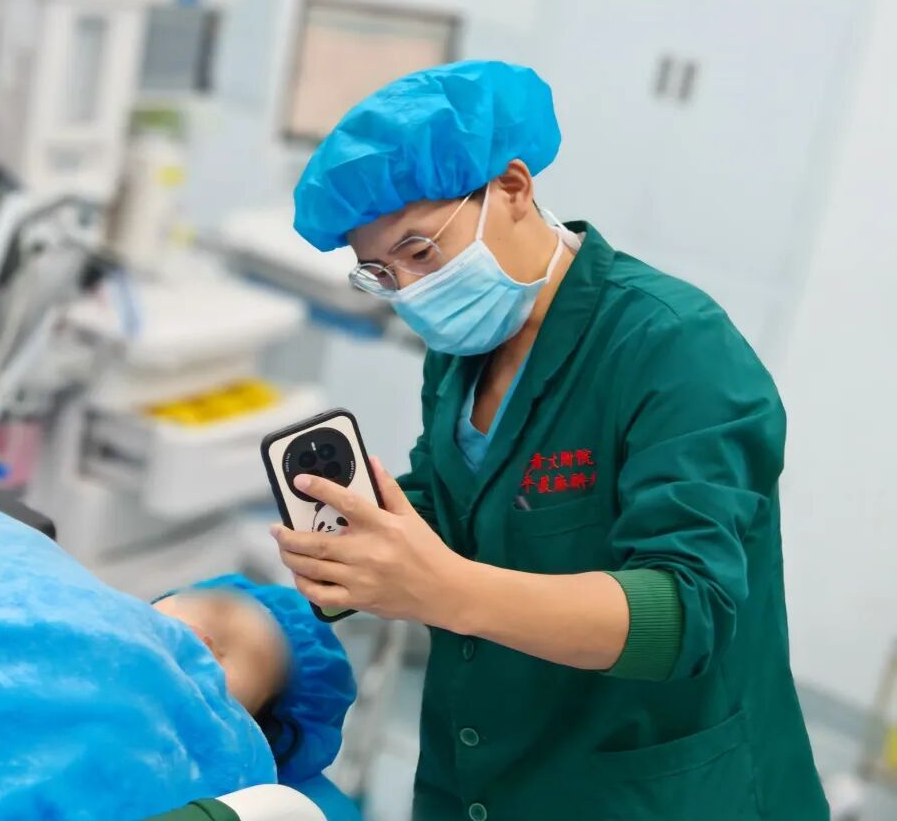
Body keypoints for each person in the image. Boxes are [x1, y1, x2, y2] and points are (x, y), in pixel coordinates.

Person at [272, 59, 828, 820]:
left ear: (512, 187)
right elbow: (470, 502)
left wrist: (445, 589)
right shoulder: (465, 349)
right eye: (382, 273)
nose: (412, 290)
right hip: (491, 771)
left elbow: (687, 612)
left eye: (421, 251)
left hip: (655, 789)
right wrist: (368, 542)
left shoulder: (674, 345)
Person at [0, 485, 357, 821]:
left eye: (226, 659)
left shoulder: (194, 736)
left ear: (251, 724)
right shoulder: (59, 597)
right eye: (207, 610)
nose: (204, 638)